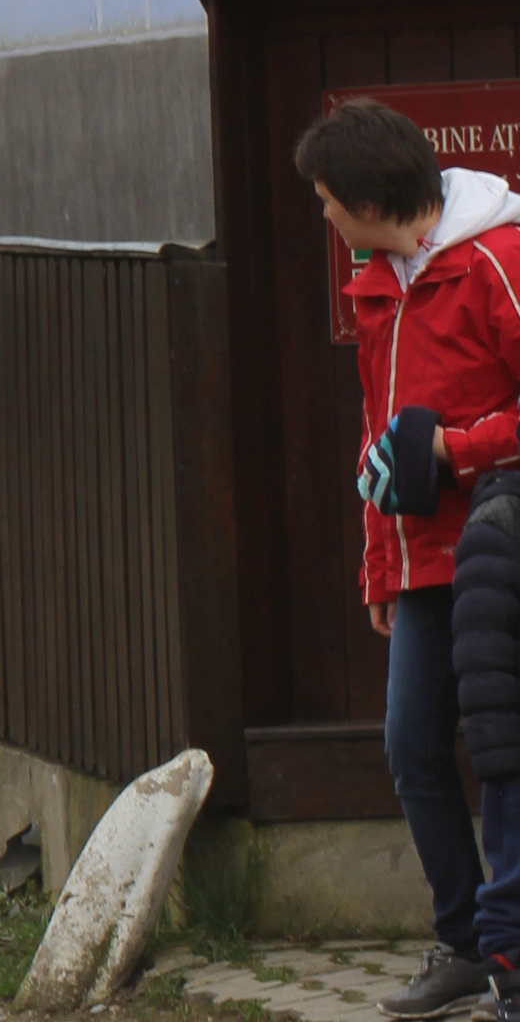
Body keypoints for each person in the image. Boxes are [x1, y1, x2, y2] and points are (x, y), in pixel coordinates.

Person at [295, 98, 520, 1020]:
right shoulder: (378, 281)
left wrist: (454, 453)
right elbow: (374, 439)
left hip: (500, 555)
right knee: (409, 744)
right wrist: (376, 567)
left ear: (364, 196)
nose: (323, 216)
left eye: (325, 199)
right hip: (420, 562)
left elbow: (442, 442)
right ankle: (465, 942)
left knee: (505, 752)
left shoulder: (498, 264)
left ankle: (507, 954)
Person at [452, 471, 520, 1022]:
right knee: (513, 874)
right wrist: (499, 750)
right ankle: (510, 976)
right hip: (513, 747)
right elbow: (482, 653)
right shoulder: (500, 521)